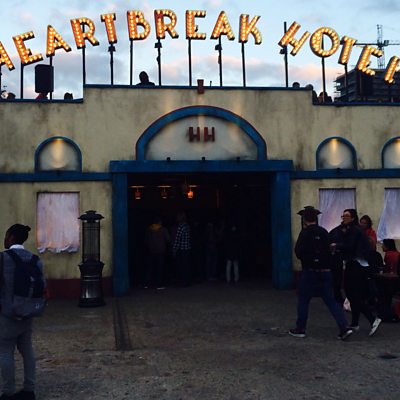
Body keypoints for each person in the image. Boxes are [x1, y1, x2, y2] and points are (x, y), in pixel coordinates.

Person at [289, 206, 353, 340]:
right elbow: (331, 250)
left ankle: (300, 328)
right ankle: (344, 327)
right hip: (325, 271)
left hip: (309, 271)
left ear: (304, 219)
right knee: (330, 300)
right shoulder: (324, 232)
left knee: (303, 300)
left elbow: (298, 252)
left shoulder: (305, 233)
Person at [0, 224, 45, 400]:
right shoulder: (35, 260)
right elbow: (42, 286)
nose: (4, 239)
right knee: (27, 350)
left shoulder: (3, 258)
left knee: (5, 352)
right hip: (28, 312)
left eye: (6, 236)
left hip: (7, 314)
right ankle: (29, 389)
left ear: (11, 237)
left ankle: (8, 392)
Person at [331, 209, 382, 336]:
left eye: (347, 216)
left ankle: (372, 319)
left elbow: (350, 245)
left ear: (353, 218)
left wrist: (336, 245)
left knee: (353, 294)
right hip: (354, 263)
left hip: (356, 264)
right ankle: (355, 323)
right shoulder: (350, 229)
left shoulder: (354, 230)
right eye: (343, 215)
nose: (344, 218)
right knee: (352, 294)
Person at [144, 216, 170, 289]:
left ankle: (147, 284)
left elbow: (145, 240)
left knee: (149, 268)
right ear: (160, 222)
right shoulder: (163, 229)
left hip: (151, 251)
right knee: (159, 269)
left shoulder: (149, 229)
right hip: (160, 251)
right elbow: (168, 239)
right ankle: (158, 285)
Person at [172, 211, 191, 286]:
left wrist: (174, 250)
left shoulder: (180, 227)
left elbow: (177, 240)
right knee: (186, 266)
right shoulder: (187, 226)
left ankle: (182, 282)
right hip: (187, 248)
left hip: (182, 250)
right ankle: (186, 282)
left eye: (177, 216)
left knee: (181, 266)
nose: (176, 218)